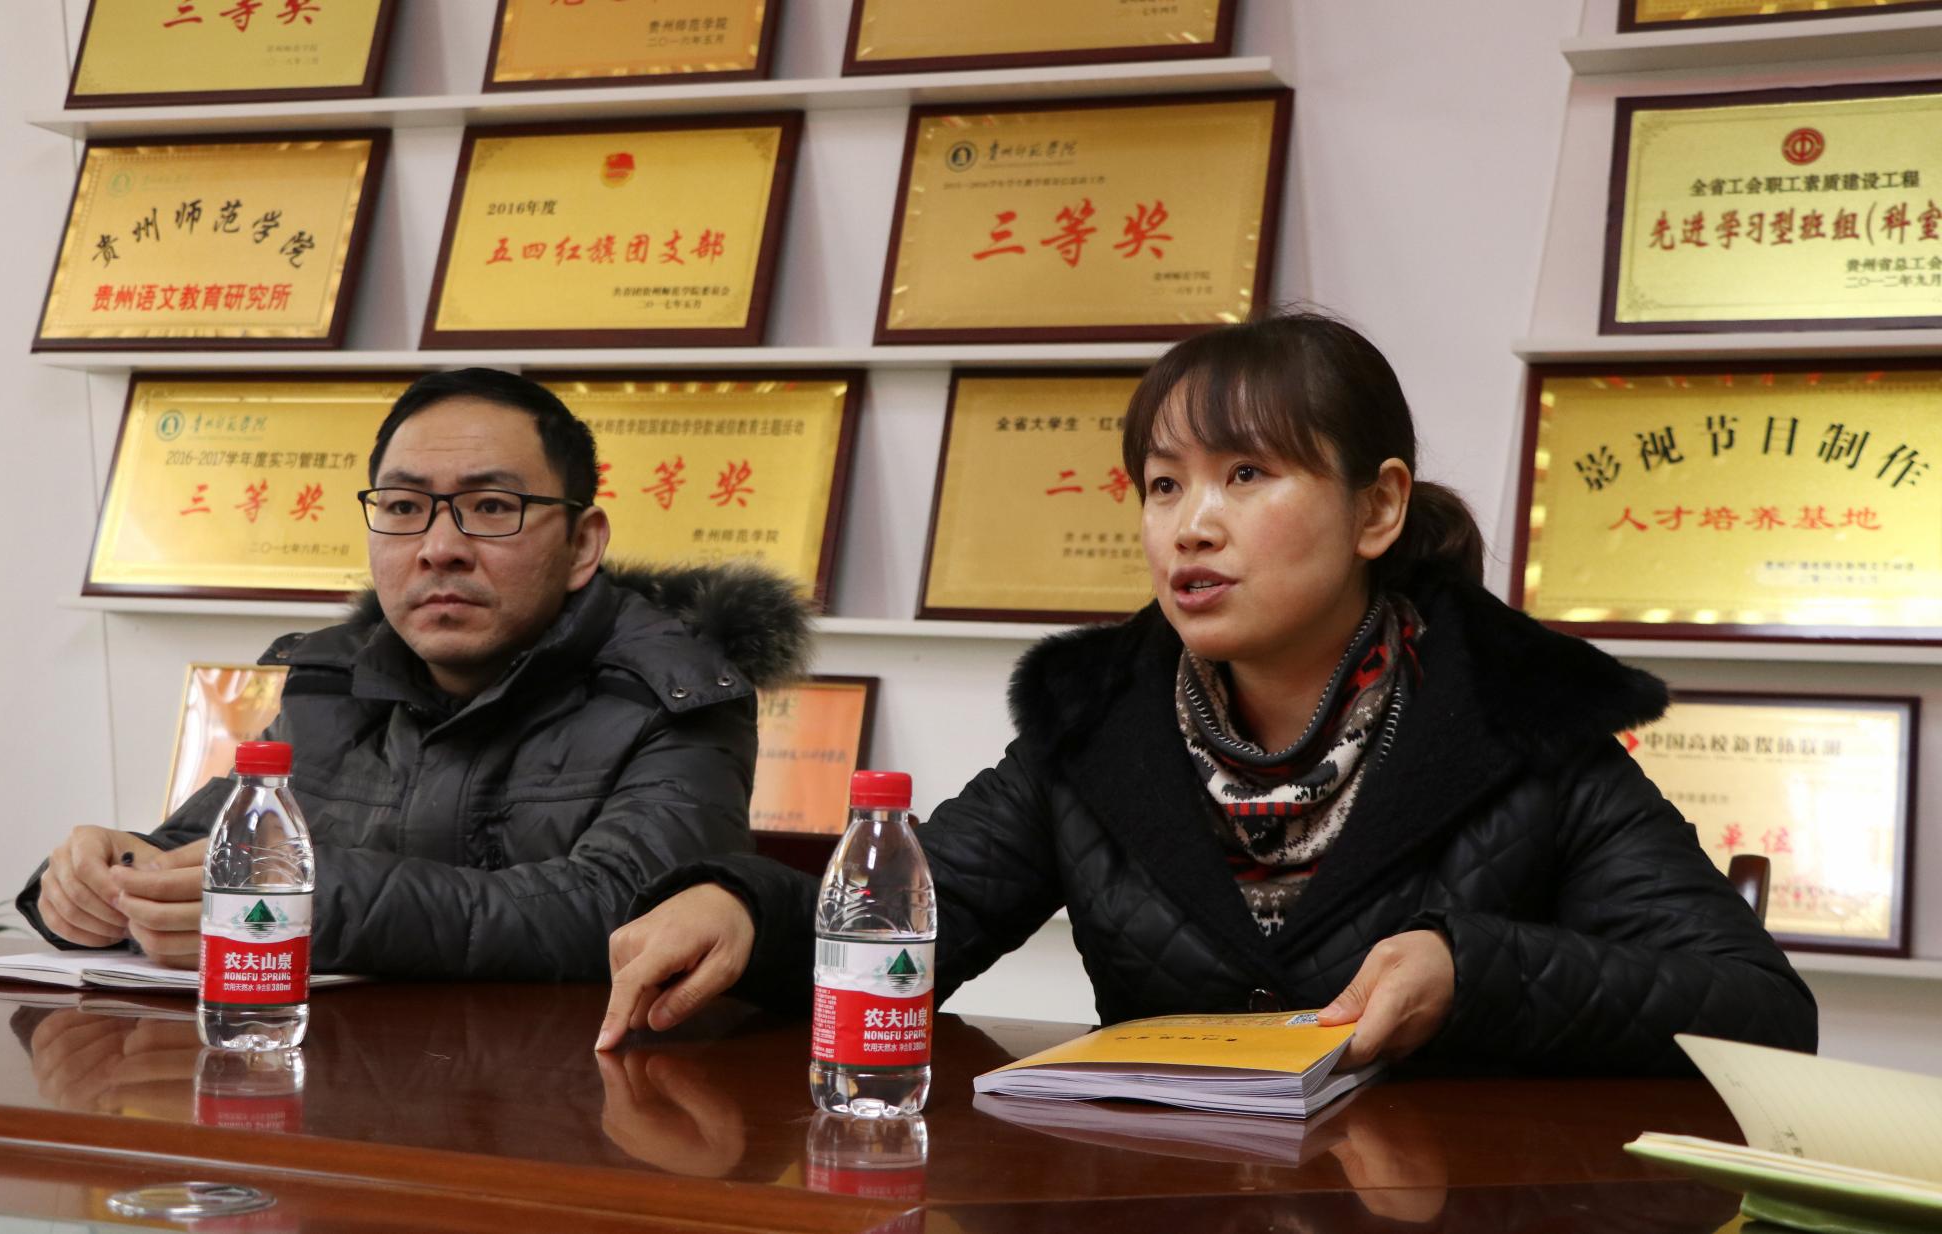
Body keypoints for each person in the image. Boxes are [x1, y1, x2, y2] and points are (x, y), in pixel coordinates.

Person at [597, 313, 1818, 1073]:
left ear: (1377, 508)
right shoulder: (1097, 725)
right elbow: (922, 920)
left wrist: (1470, 969)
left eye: (1245, 474)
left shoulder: (1520, 722)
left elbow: (1756, 1009)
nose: (1191, 525)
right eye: (1162, 484)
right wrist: (742, 909)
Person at [19, 368, 810, 979]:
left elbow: (622, 912)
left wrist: (310, 903)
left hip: (565, 1106)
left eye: (492, 507)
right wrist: (104, 883)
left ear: (582, 545)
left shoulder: (676, 691)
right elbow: (208, 851)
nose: (439, 547)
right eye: (402, 508)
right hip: (332, 1089)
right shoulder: (334, 682)